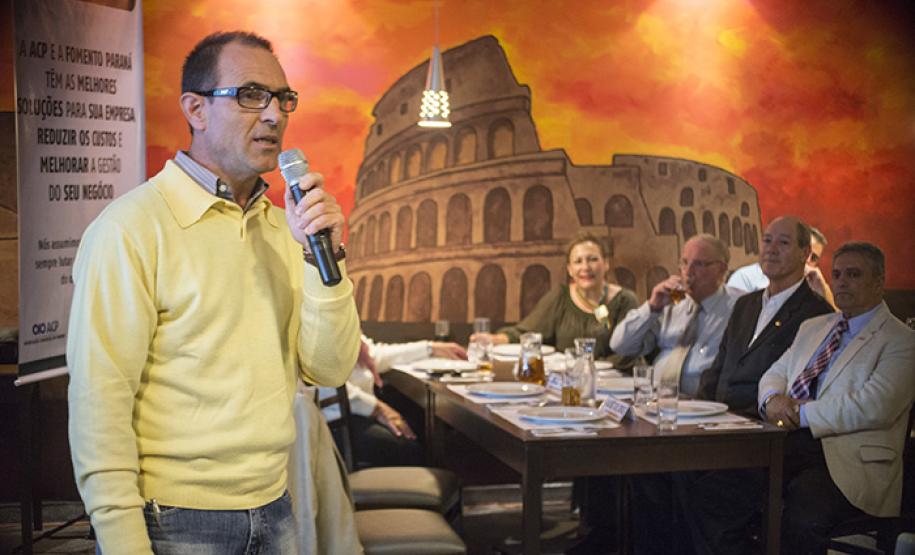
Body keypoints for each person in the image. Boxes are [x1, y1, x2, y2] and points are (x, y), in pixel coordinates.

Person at [67, 31, 360, 554]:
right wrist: (121, 539)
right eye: (251, 95)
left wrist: (325, 259)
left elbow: (330, 369)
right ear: (195, 109)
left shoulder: (285, 228)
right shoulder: (131, 228)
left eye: (283, 98)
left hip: (276, 506)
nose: (273, 114)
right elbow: (99, 402)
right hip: (173, 520)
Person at [644, 217, 835, 555]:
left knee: (706, 494)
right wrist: (693, 415)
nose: (771, 249)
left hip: (763, 438)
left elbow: (800, 389)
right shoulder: (746, 304)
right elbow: (717, 370)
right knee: (651, 471)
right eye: (767, 240)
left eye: (783, 243)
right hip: (718, 426)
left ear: (806, 254)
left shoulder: (817, 314)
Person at [759, 241, 915, 554]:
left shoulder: (902, 340)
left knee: (801, 511)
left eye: (853, 274)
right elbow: (774, 373)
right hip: (787, 442)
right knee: (720, 485)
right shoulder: (814, 327)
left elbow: (874, 406)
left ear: (879, 282)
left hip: (850, 460)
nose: (841, 282)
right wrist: (773, 399)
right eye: (837, 274)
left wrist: (799, 414)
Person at [471, 232, 638, 367]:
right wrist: (493, 340)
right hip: (571, 382)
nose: (585, 267)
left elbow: (630, 353)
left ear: (606, 264)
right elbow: (526, 333)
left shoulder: (625, 300)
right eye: (578, 261)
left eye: (592, 259)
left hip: (618, 385)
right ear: (570, 270)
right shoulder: (560, 297)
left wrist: (593, 368)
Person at [611, 234, 743, 396]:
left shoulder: (740, 306)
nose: (688, 272)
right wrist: (652, 307)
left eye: (698, 264)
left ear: (721, 269)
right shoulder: (673, 300)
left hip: (707, 400)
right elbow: (621, 346)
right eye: (684, 263)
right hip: (657, 396)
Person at [318, 335, 466, 467]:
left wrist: (430, 348)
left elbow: (373, 355)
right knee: (410, 448)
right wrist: (376, 408)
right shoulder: (314, 321)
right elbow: (324, 383)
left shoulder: (341, 318)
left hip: (357, 410)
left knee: (422, 427)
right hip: (335, 421)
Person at [728, 225, 835, 307]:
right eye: (804, 252)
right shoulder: (746, 277)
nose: (807, 260)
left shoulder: (812, 285)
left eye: (814, 258)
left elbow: (836, 320)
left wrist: (822, 288)